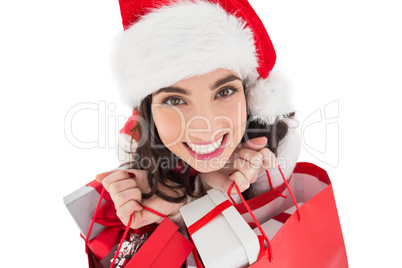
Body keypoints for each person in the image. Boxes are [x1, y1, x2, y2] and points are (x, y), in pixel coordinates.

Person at [96, 0, 300, 238]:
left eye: (224, 92)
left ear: (248, 93)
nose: (205, 128)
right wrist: (177, 203)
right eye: (174, 100)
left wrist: (260, 182)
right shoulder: (134, 145)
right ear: (148, 109)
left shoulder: (276, 139)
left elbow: (281, 234)